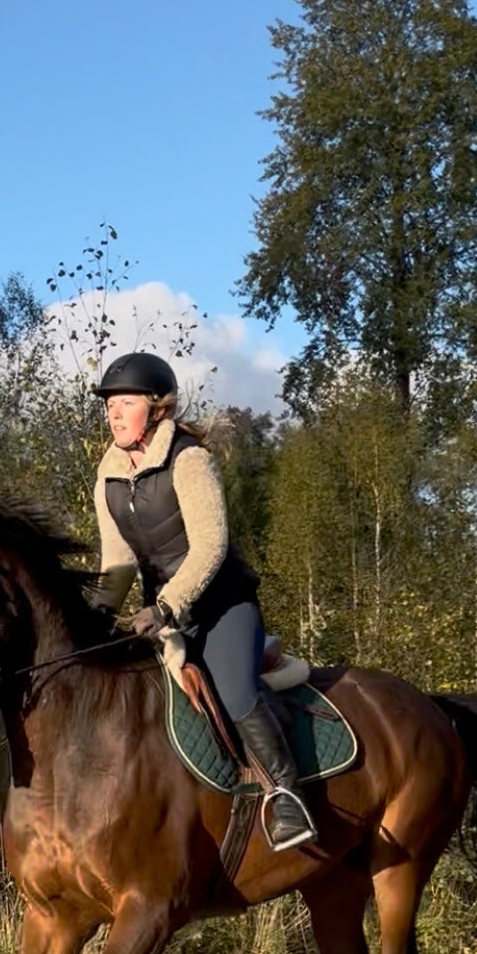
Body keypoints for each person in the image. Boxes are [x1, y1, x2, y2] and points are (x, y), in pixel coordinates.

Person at [90, 351, 317, 852]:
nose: (113, 413)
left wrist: (167, 606)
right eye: (109, 404)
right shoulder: (108, 475)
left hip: (222, 608)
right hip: (164, 616)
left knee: (233, 690)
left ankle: (286, 794)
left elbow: (210, 546)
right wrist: (99, 615)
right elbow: (119, 563)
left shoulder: (189, 460)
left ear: (157, 408)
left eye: (124, 402)